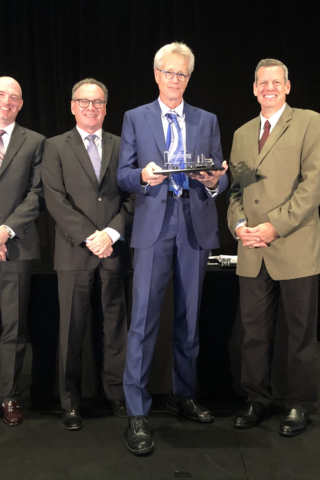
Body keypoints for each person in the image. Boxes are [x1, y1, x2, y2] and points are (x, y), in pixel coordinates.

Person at [117, 42, 228, 454]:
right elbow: (123, 175)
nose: (175, 80)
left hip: (194, 221)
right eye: (169, 73)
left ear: (188, 78)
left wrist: (214, 181)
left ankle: (184, 395)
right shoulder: (135, 118)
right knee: (143, 320)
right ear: (156, 74)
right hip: (153, 225)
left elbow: (221, 175)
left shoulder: (207, 119)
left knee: (189, 317)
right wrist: (143, 176)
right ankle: (137, 411)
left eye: (182, 74)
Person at [227, 59, 320, 437]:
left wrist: (273, 227)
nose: (268, 87)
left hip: (294, 246)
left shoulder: (310, 122)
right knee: (254, 333)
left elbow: (312, 187)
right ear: (253, 88)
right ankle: (256, 399)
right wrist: (238, 225)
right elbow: (238, 190)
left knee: (300, 334)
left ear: (287, 86)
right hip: (251, 251)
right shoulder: (243, 133)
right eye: (262, 82)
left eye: (275, 82)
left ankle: (299, 404)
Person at [42, 78, 134, 430]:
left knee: (115, 327)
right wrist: (89, 237)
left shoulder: (123, 145)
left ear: (106, 108)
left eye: (97, 103)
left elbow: (132, 196)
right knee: (71, 329)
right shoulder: (54, 146)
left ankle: (116, 395)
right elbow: (54, 198)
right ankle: (70, 401)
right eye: (84, 101)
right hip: (73, 252)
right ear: (72, 105)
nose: (91, 108)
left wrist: (110, 233)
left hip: (113, 249)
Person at [0, 76, 45, 426]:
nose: (7, 101)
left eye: (15, 97)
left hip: (15, 245)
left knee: (13, 328)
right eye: (1, 95)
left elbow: (37, 194)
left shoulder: (36, 142)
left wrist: (4, 229)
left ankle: (9, 396)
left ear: (22, 103)